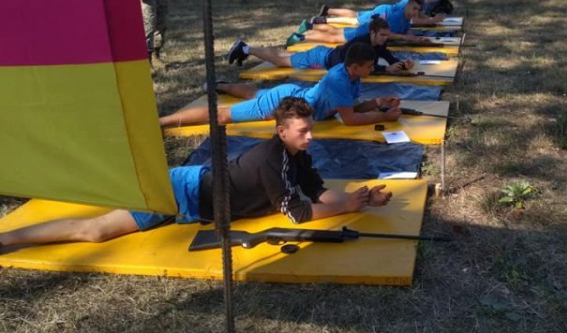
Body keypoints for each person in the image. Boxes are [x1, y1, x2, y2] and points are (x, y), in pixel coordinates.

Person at [0, 98, 393, 251]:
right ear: (281, 131)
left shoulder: (298, 155)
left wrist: (361, 200)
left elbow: (319, 194)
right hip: (177, 193)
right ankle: (6, 240)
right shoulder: (271, 160)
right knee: (96, 231)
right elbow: (301, 215)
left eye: (311, 130)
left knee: (100, 216)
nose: (310, 137)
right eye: (303, 131)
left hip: (191, 190)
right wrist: (352, 204)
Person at [159, 43, 402, 128]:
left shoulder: (353, 76)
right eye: (370, 66)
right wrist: (385, 118)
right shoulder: (338, 80)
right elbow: (349, 120)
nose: (373, 69)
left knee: (255, 93)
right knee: (223, 116)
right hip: (285, 105)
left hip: (293, 95)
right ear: (354, 66)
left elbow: (353, 107)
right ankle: (163, 122)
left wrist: (378, 103)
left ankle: (220, 85)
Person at [227, 16, 415, 74]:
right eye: (382, 35)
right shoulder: (360, 43)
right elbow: (354, 67)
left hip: (324, 55)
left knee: (283, 57)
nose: (385, 39)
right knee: (281, 61)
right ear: (372, 33)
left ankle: (246, 48)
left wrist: (402, 64)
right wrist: (385, 70)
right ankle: (245, 48)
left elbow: (389, 58)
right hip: (321, 58)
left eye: (386, 35)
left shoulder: (378, 45)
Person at [289, 0, 436, 47]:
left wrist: (416, 38)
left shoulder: (405, 19)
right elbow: (387, 34)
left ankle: (309, 26)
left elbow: (406, 30)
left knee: (335, 32)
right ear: (408, 5)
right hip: (364, 33)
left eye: (418, 10)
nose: (415, 12)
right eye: (414, 8)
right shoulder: (397, 18)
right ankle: (301, 37)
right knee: (333, 38)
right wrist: (405, 38)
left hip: (366, 31)